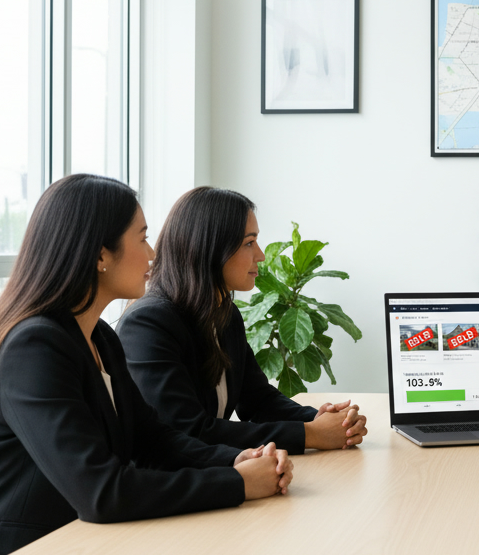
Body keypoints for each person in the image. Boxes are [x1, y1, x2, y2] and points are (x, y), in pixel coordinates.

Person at [0, 175, 292, 555]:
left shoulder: (100, 337)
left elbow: (152, 439)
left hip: (72, 554)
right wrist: (235, 483)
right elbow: (100, 491)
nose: (153, 253)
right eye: (142, 238)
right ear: (101, 254)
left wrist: (235, 460)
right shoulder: (33, 347)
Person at [117, 187, 366, 454]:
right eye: (249, 243)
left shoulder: (225, 314)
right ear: (210, 248)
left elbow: (258, 400)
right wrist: (311, 434)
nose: (260, 255)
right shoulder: (147, 324)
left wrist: (321, 420)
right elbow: (189, 431)